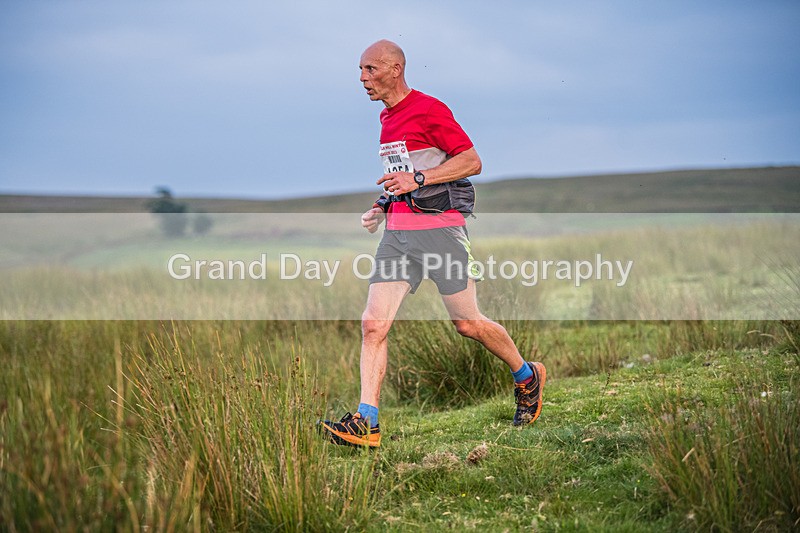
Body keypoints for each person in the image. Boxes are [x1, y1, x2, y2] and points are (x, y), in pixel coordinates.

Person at [320, 40, 545, 448]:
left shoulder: (429, 110)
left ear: (395, 68)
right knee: (373, 324)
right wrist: (381, 205)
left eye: (370, 69)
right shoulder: (386, 118)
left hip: (441, 231)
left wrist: (419, 180)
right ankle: (367, 421)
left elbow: (472, 161)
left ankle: (527, 376)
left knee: (467, 324)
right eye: (361, 70)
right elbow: (402, 176)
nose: (362, 78)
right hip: (398, 235)